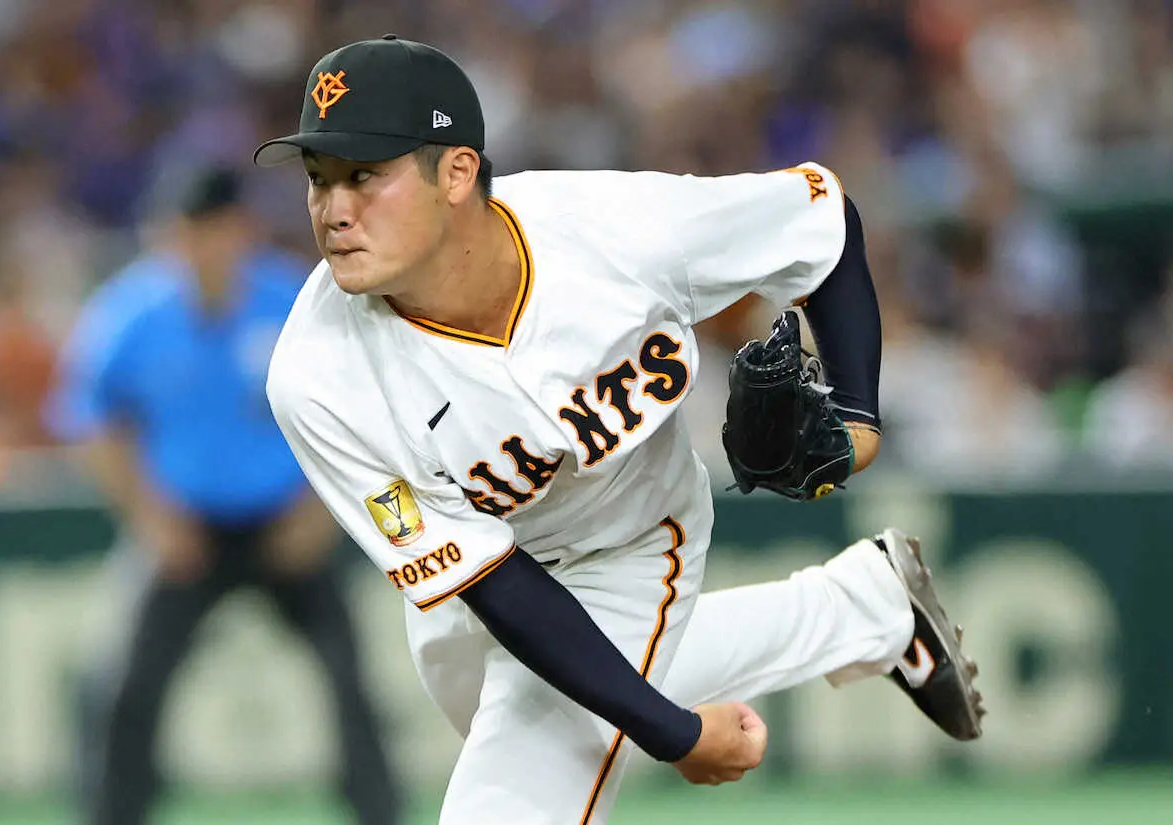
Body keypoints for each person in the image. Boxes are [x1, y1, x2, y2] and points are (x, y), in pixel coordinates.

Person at [255, 36, 985, 825]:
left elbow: (821, 219)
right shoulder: (317, 375)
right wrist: (674, 732)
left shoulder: (615, 232)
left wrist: (858, 423)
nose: (333, 209)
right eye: (319, 178)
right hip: (471, 592)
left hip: (629, 544)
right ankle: (863, 608)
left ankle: (858, 612)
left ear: (457, 172)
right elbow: (498, 586)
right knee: (549, 706)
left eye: (365, 175)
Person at [46, 165, 402, 825]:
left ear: (240, 229)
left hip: (288, 520)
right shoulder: (130, 313)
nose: (193, 245)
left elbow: (359, 406)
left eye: (207, 229)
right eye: (180, 231)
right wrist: (151, 518)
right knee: (123, 682)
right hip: (184, 526)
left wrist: (320, 510)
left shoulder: (293, 301)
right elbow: (92, 422)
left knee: (351, 680)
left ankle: (379, 813)